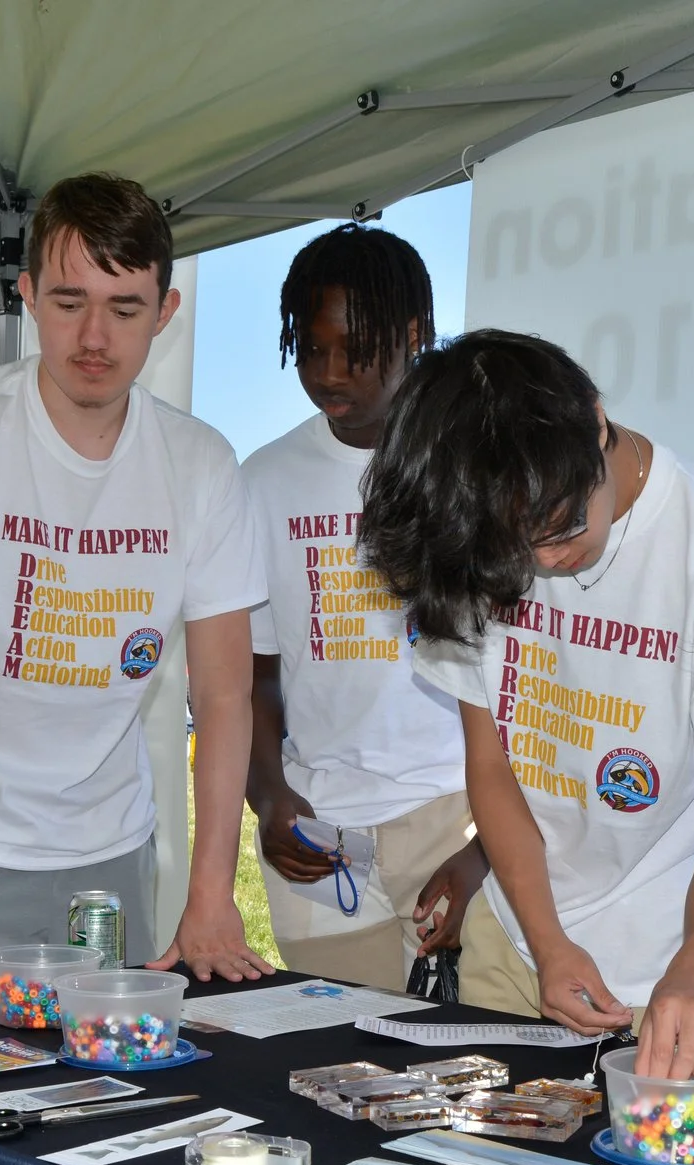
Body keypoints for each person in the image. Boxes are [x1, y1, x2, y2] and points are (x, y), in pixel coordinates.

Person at [0, 173, 271, 1008]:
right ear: (27, 295)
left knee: (112, 1099)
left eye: (126, 308)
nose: (95, 336)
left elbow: (225, 696)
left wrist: (212, 895)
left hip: (111, 855)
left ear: (166, 313)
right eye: (69, 302)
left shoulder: (201, 464)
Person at [364, 331, 694, 1077]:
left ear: (594, 423)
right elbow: (492, 764)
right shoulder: (470, 534)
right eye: (517, 555)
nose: (546, 562)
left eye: (559, 529)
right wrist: (548, 939)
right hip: (520, 925)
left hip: (674, 962)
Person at [241, 226, 485, 988]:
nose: (329, 374)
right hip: (318, 829)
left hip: (453, 818)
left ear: (415, 335)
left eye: (356, 350)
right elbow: (252, 676)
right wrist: (270, 797)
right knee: (343, 1068)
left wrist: (487, 846)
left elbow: (528, 679)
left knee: (465, 1070)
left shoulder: (472, 469)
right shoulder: (264, 481)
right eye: (310, 351)